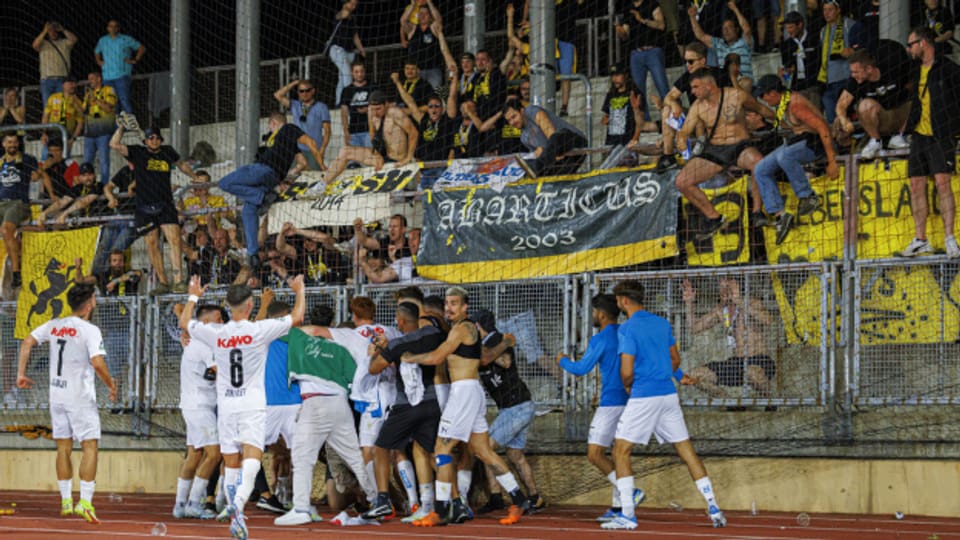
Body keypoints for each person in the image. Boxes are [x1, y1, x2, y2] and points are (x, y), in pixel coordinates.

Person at [178, 275, 306, 540]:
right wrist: (299, 290)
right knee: (252, 456)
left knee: (231, 459)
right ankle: (238, 506)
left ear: (229, 305)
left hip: (226, 404)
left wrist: (193, 296)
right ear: (249, 306)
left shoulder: (216, 332)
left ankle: (233, 505)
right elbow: (297, 317)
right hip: (252, 404)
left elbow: (184, 323)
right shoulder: (259, 330)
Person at [401, 287, 531, 526]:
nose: (449, 307)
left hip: (463, 392)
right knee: (484, 452)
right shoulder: (465, 330)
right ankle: (519, 499)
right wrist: (505, 343)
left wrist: (409, 357)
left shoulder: (462, 328)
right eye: (447, 303)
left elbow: (436, 357)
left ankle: (440, 511)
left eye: (454, 303)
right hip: (471, 391)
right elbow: (483, 358)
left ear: (464, 307)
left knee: (442, 449)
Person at [603, 280, 724, 530]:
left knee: (620, 451)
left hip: (644, 395)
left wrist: (628, 385)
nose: (617, 304)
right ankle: (713, 507)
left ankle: (627, 515)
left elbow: (626, 371)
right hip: (669, 395)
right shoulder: (662, 323)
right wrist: (678, 376)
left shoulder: (626, 329)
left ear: (624, 300)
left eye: (617, 299)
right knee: (686, 450)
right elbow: (675, 360)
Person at [16, 283, 116, 524]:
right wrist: (111, 385)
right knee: (90, 446)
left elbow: (27, 342)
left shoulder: (54, 325)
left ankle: (65, 502)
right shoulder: (90, 330)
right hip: (79, 396)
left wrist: (20, 373)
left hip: (56, 394)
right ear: (90, 302)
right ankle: (85, 503)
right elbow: (98, 363)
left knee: (63, 447)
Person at [361, 301, 445, 521]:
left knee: (381, 447)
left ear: (400, 321)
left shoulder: (398, 343)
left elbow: (373, 368)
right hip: (433, 401)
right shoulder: (434, 335)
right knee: (426, 451)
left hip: (406, 405)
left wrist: (380, 349)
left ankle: (382, 500)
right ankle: (448, 499)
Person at [556, 294, 635, 521]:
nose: (590, 316)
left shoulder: (600, 339)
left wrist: (562, 360)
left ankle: (629, 492)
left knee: (595, 454)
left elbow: (581, 369)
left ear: (601, 314)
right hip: (630, 401)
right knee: (619, 455)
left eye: (592, 312)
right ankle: (619, 507)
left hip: (611, 402)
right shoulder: (626, 333)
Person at [675, 68, 773, 239]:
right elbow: (684, 131)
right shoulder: (697, 107)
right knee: (682, 182)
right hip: (716, 149)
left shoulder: (736, 96)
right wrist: (682, 141)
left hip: (740, 145)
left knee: (758, 163)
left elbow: (760, 109)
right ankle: (714, 217)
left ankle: (757, 212)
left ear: (709, 85)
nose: (692, 92)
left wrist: (781, 120)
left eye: (696, 87)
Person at [218, 111, 325, 268]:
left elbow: (311, 143)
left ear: (273, 123)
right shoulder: (288, 143)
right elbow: (302, 163)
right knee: (248, 209)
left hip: (261, 170)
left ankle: (261, 196)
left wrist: (323, 167)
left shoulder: (288, 128)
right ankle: (253, 254)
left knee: (224, 183)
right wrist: (292, 174)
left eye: (270, 126)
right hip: (271, 179)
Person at [752, 74, 838, 245]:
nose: (763, 100)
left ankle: (808, 196)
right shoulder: (782, 103)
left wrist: (832, 160)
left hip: (815, 143)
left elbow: (822, 127)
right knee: (760, 169)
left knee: (785, 156)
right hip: (797, 143)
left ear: (774, 93)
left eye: (763, 95)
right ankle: (780, 215)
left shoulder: (796, 104)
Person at [110, 126, 197, 295]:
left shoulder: (167, 151)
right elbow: (114, 144)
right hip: (144, 207)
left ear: (161, 140)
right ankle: (163, 282)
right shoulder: (137, 152)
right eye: (151, 138)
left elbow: (182, 165)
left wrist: (194, 177)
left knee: (174, 240)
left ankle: (178, 281)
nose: (154, 140)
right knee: (152, 245)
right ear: (145, 140)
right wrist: (121, 127)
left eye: (157, 137)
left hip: (165, 204)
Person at [474, 310, 546, 513]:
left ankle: (498, 497)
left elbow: (505, 361)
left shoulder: (497, 339)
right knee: (515, 455)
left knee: (485, 450)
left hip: (516, 407)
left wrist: (492, 350)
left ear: (479, 326)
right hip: (517, 406)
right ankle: (535, 497)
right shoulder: (493, 342)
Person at [901, 26, 960, 258]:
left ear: (923, 43)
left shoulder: (949, 69)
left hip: (940, 135)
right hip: (919, 136)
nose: (909, 49)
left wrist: (954, 130)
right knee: (916, 186)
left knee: (943, 184)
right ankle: (920, 238)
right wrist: (905, 130)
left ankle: (950, 238)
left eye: (911, 44)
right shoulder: (915, 71)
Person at [682, 277, 776, 399]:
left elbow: (767, 320)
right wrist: (689, 303)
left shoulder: (752, 303)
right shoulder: (721, 310)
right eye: (722, 287)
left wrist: (739, 301)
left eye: (729, 286)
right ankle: (728, 401)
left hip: (759, 360)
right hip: (737, 362)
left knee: (751, 372)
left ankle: (769, 399)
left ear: (738, 287)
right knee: (694, 376)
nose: (725, 290)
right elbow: (694, 328)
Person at [173, 303, 225, 519]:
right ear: (205, 323)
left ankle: (179, 504)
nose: (222, 323)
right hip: (200, 405)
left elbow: (182, 319)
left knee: (194, 454)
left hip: (191, 404)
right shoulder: (204, 346)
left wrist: (182, 322)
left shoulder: (193, 340)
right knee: (214, 454)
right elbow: (221, 372)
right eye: (219, 319)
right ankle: (195, 502)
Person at [655, 41, 733, 172]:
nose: (687, 65)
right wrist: (674, 104)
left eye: (691, 61)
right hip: (694, 120)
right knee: (667, 109)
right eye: (685, 61)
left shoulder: (719, 74)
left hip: (718, 118)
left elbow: (732, 99)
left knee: (701, 107)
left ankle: (702, 145)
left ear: (702, 60)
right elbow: (668, 97)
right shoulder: (688, 76)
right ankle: (668, 156)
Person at [834, 43, 912, 159]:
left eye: (856, 72)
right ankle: (875, 140)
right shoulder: (855, 81)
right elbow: (841, 105)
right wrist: (844, 120)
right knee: (864, 105)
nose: (853, 75)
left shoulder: (893, 68)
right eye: (851, 72)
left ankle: (900, 135)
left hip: (901, 116)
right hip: (882, 119)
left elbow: (912, 86)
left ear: (869, 69)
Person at [323, 91, 418, 184]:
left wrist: (409, 157)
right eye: (373, 109)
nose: (375, 112)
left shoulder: (395, 113)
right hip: (382, 157)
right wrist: (376, 153)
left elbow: (413, 133)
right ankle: (322, 184)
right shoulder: (371, 113)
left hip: (397, 159)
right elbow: (372, 134)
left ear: (386, 104)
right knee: (345, 151)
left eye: (378, 109)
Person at [502, 97, 587, 177]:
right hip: (560, 157)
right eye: (509, 120)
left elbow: (551, 132)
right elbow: (539, 154)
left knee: (557, 137)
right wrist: (542, 153)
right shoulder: (524, 138)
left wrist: (550, 152)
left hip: (573, 141)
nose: (512, 122)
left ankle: (535, 166)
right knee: (550, 173)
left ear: (522, 111)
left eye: (514, 117)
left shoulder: (531, 111)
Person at [617, 0, 669, 122]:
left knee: (662, 86)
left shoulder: (652, 4)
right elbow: (626, 35)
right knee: (638, 90)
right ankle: (644, 122)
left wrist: (643, 20)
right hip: (636, 54)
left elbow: (661, 25)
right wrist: (621, 33)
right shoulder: (628, 9)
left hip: (653, 51)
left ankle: (673, 116)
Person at [689, 1, 755, 93]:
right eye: (724, 28)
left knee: (746, 82)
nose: (726, 31)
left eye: (729, 27)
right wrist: (692, 18)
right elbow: (701, 36)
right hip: (725, 84)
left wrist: (735, 9)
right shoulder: (719, 43)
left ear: (736, 29)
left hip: (743, 83)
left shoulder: (744, 42)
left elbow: (747, 29)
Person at [0, 133, 38, 289]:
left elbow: (39, 175)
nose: (12, 145)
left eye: (15, 142)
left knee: (6, 230)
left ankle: (16, 272)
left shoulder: (26, 159)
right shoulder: (1, 162)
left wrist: (53, 195)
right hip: (1, 203)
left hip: (17, 203)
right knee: (6, 232)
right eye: (9, 142)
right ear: (3, 144)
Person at [273, 79, 331, 171]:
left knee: (314, 178)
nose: (304, 93)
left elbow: (327, 131)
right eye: (301, 91)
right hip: (297, 151)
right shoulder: (295, 105)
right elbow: (277, 95)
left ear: (313, 91)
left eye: (307, 90)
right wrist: (294, 83)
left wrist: (322, 150)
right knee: (294, 178)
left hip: (314, 150)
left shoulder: (321, 107)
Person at [94, 19, 145, 114]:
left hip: (122, 75)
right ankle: (117, 126)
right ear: (107, 28)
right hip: (107, 76)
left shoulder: (126, 39)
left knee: (124, 100)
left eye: (115, 26)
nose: (112, 28)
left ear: (118, 28)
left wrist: (135, 60)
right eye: (110, 26)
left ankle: (129, 125)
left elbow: (141, 48)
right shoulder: (103, 40)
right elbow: (96, 52)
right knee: (111, 103)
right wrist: (99, 61)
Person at [816, 0, 854, 124]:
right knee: (832, 116)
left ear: (838, 10)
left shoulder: (849, 25)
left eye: (830, 9)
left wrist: (852, 51)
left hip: (846, 77)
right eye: (824, 10)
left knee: (846, 113)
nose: (826, 13)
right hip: (829, 80)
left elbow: (860, 48)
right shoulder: (822, 31)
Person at [327, 0, 367, 106]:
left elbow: (355, 36)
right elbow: (343, 14)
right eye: (352, 4)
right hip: (337, 50)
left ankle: (339, 102)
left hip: (349, 52)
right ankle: (350, 101)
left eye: (355, 5)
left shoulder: (352, 19)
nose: (354, 7)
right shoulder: (339, 14)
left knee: (342, 78)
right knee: (347, 74)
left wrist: (362, 50)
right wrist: (347, 6)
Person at [81, 71, 118, 186]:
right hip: (89, 133)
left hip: (104, 132)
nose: (90, 81)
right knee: (87, 161)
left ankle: (104, 185)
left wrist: (96, 100)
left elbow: (108, 108)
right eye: (89, 79)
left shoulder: (109, 90)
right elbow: (83, 111)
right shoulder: (88, 94)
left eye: (92, 78)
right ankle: (86, 185)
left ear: (99, 79)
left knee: (103, 161)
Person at [601, 64, 650, 148]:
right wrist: (605, 120)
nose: (614, 79)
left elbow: (640, 119)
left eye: (617, 75)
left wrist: (635, 139)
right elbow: (606, 117)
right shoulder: (610, 94)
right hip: (611, 141)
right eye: (612, 76)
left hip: (628, 141)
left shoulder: (635, 93)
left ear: (626, 75)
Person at [33, 21, 78, 109]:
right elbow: (35, 45)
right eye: (50, 31)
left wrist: (63, 29)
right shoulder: (43, 44)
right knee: (48, 107)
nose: (53, 33)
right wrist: (44, 31)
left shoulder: (64, 42)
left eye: (54, 30)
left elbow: (74, 39)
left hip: (62, 80)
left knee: (63, 105)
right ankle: (49, 123)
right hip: (46, 80)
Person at [401, 1, 445, 89]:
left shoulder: (433, 28)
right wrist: (413, 5)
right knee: (416, 95)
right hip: (416, 71)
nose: (423, 16)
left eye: (426, 13)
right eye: (420, 13)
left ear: (430, 16)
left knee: (438, 94)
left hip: (433, 70)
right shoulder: (412, 29)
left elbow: (439, 19)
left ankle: (443, 102)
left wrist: (429, 2)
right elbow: (403, 20)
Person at [779, 11, 820, 102]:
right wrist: (785, 73)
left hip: (814, 86)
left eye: (791, 27)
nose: (789, 31)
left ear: (800, 25)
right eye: (787, 28)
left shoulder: (815, 39)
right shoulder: (786, 45)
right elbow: (787, 73)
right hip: (796, 88)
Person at [555, 0, 585, 116]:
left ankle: (564, 107)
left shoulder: (569, 3)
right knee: (548, 74)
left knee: (565, 76)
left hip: (566, 42)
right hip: (550, 42)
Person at [40, 76, 83, 160]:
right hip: (52, 133)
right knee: (46, 158)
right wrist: (43, 133)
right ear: (63, 85)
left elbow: (81, 122)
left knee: (64, 160)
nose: (72, 85)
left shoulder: (78, 102)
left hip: (66, 135)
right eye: (70, 83)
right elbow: (45, 116)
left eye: (74, 83)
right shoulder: (53, 98)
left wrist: (73, 139)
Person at [339, 59, 376, 148]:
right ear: (352, 73)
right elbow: (344, 113)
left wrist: (368, 109)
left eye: (361, 71)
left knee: (371, 159)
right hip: (353, 132)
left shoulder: (373, 86)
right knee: (353, 161)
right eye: (356, 72)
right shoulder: (347, 90)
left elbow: (382, 106)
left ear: (365, 72)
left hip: (371, 130)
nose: (359, 74)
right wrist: (346, 132)